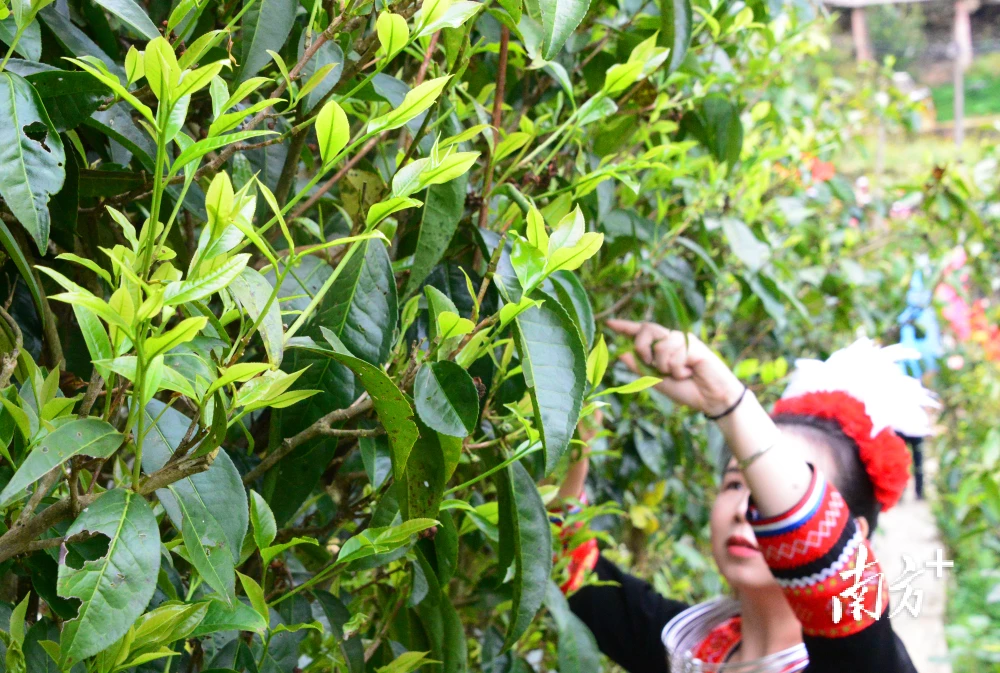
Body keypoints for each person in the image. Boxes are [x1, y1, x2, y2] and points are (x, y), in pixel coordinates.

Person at [557, 320, 938, 673]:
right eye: (736, 485)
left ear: (851, 536)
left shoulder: (866, 661)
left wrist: (727, 402)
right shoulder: (688, 647)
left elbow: (820, 556)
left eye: (767, 496)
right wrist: (577, 450)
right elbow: (566, 565)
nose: (745, 511)